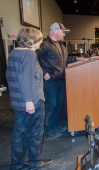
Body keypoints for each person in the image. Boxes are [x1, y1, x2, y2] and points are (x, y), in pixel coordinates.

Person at [6, 27, 52, 169]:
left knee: (19, 133)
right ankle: (34, 162)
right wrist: (29, 101)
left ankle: (17, 163)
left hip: (18, 101)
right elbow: (25, 79)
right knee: (35, 133)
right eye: (39, 40)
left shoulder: (14, 53)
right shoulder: (29, 55)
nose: (41, 42)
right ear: (32, 41)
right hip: (32, 100)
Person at [38, 22, 71, 138]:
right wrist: (43, 72)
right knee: (51, 104)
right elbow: (34, 59)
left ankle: (55, 124)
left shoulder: (61, 46)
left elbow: (63, 62)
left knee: (59, 103)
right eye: (63, 32)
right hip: (50, 79)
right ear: (55, 30)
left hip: (60, 78)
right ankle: (48, 128)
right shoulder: (44, 44)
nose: (64, 34)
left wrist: (78, 58)